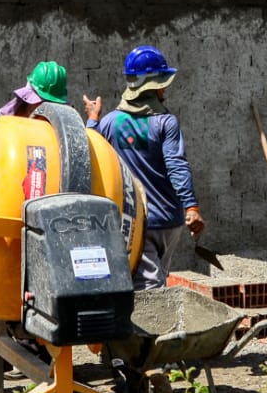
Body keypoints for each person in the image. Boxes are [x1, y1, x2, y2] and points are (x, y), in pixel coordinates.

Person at [83, 45, 205, 289]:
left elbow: (91, 154)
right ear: (153, 85)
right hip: (169, 220)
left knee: (148, 284)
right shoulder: (165, 122)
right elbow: (176, 164)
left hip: (133, 221)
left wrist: (92, 120)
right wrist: (190, 205)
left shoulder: (110, 122)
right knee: (153, 286)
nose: (165, 88)